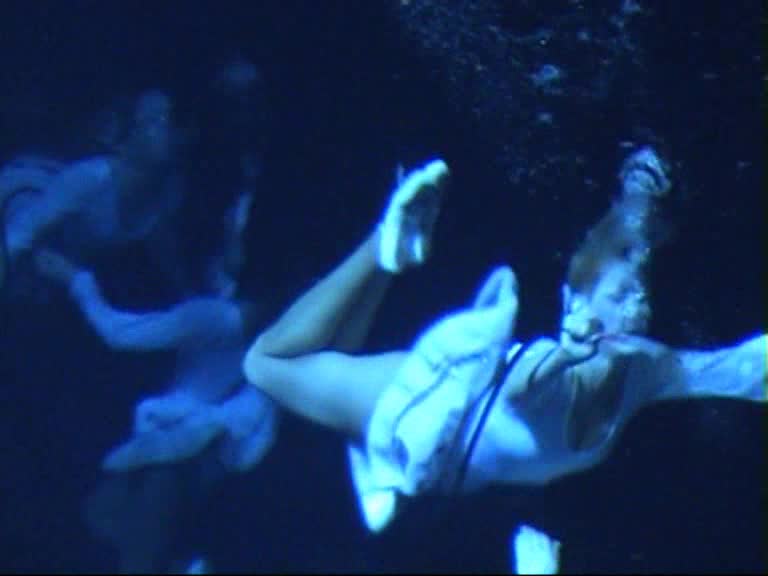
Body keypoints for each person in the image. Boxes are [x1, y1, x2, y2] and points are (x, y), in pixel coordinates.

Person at [241, 150, 765, 533]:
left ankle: (390, 255)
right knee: (265, 363)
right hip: (425, 411)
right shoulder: (550, 365)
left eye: (641, 297)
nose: (634, 309)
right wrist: (566, 354)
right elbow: (524, 384)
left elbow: (732, 370)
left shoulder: (647, 371)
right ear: (572, 302)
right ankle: (384, 245)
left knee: (333, 355)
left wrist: (640, 200)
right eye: (619, 295)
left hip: (448, 470)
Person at [34, 190, 276, 573]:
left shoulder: (214, 319)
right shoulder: (261, 322)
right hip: (199, 475)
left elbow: (120, 332)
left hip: (179, 469)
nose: (230, 229)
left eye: (238, 228)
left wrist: (76, 280)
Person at [0, 90, 185, 292]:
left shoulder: (170, 192)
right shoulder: (91, 178)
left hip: (64, 250)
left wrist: (187, 293)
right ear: (125, 137)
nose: (169, 127)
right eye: (155, 120)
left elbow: (163, 245)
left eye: (171, 119)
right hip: (24, 188)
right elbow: (20, 232)